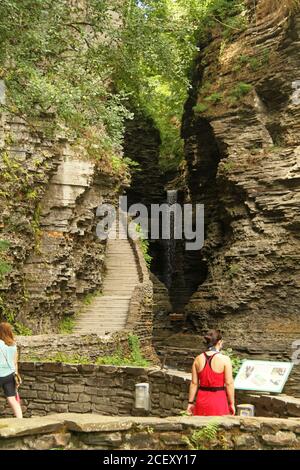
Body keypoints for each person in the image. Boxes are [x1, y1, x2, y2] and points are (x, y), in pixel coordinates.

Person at [187, 329, 235, 416]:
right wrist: (232, 403)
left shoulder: (198, 359)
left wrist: (190, 403)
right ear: (219, 342)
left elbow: (194, 383)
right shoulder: (225, 359)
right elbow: (229, 383)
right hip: (218, 400)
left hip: (201, 400)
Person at [0, 322, 22, 418]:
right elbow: (15, 362)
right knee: (12, 400)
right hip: (10, 375)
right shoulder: (13, 345)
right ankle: (20, 422)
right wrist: (16, 375)